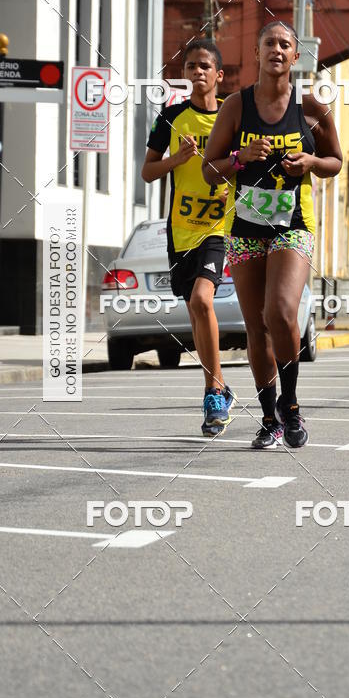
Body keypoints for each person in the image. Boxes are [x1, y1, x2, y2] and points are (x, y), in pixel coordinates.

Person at [202, 21, 342, 448]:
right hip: (245, 228)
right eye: (269, 44)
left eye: (285, 44)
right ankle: (268, 417)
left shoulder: (312, 108)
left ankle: (292, 406)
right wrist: (240, 157)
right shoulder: (235, 107)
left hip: (293, 225)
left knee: (280, 311)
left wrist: (311, 165)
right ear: (257, 53)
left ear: (295, 57)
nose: (277, 50)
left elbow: (336, 160)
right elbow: (210, 170)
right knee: (256, 326)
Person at [142, 39, 233, 436]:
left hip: (218, 228)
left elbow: (249, 164)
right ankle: (219, 388)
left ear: (219, 75)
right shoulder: (171, 117)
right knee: (194, 310)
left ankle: (213, 390)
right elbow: (147, 172)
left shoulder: (233, 118)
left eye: (205, 66)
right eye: (191, 66)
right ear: (185, 74)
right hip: (180, 231)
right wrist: (176, 160)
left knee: (202, 299)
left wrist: (236, 181)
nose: (197, 72)